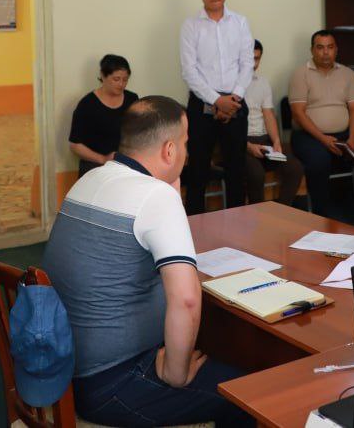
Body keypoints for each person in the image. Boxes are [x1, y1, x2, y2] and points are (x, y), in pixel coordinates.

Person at [41, 96, 253, 427]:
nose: (187, 152)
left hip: (64, 369)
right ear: (169, 150)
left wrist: (171, 192)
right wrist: (176, 373)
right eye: (185, 143)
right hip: (111, 382)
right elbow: (186, 299)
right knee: (249, 396)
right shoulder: (155, 196)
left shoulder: (88, 180)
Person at [288, 30, 354, 222]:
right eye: (320, 47)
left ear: (336, 50)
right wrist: (323, 139)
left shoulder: (348, 74)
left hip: (345, 134)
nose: (326, 52)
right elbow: (298, 113)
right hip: (309, 135)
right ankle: (321, 215)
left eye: (330, 47)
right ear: (312, 50)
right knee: (319, 162)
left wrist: (352, 139)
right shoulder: (300, 74)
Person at [179, 0, 253, 214]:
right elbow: (189, 71)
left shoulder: (240, 22)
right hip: (201, 105)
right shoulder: (190, 26)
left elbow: (247, 64)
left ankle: (236, 225)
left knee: (236, 170)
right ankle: (194, 227)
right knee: (198, 171)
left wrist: (233, 99)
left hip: (235, 102)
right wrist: (217, 101)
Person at [242, 39, 305, 207]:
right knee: (256, 174)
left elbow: (268, 114)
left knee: (295, 168)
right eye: (249, 58)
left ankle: (281, 210)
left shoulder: (262, 82)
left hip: (264, 139)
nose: (253, 64)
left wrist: (276, 141)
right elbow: (227, 126)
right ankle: (257, 215)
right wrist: (248, 146)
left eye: (257, 59)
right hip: (241, 141)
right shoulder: (228, 84)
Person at [68, 54, 138, 176]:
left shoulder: (132, 99)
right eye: (116, 79)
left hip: (124, 167)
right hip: (94, 167)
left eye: (125, 80)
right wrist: (103, 159)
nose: (121, 84)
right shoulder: (87, 104)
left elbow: (140, 132)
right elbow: (75, 145)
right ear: (103, 76)